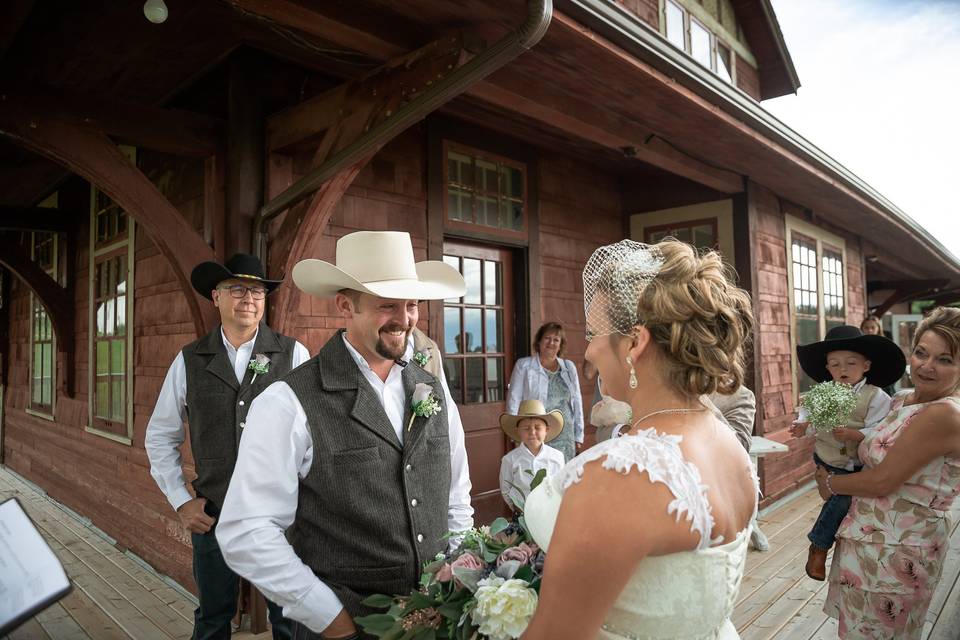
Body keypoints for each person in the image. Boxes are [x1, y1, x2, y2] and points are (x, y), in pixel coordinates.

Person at [215, 231, 473, 640]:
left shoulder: (434, 390)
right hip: (342, 627)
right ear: (345, 304)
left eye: (411, 304)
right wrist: (329, 617)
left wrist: (456, 576)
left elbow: (456, 498)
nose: (405, 318)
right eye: (387, 304)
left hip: (437, 619)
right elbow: (246, 531)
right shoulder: (288, 401)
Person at [521, 239, 757, 639]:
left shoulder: (622, 474)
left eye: (595, 332)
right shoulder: (724, 440)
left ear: (635, 342)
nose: (589, 350)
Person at [145, 253, 309, 640]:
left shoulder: (293, 355)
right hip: (214, 515)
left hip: (280, 517)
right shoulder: (189, 360)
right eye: (237, 289)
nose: (248, 298)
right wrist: (180, 500)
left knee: (290, 619)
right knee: (213, 618)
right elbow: (160, 434)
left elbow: (315, 435)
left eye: (257, 290)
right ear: (215, 297)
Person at [814, 306, 960, 639]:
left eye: (945, 359)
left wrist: (830, 483)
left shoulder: (945, 414)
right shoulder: (903, 400)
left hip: (900, 551)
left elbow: (883, 479)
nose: (927, 366)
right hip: (866, 538)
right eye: (921, 353)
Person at [790, 325, 904, 581]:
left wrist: (857, 434)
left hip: (856, 461)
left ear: (866, 365)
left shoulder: (875, 396)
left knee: (843, 500)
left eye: (851, 363)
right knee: (842, 498)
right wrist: (802, 425)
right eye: (835, 364)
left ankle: (824, 543)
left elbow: (881, 427)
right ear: (827, 368)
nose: (842, 369)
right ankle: (819, 547)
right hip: (828, 457)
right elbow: (809, 416)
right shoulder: (823, 392)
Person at [507, 323, 584, 461]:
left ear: (561, 345)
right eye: (547, 338)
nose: (551, 343)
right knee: (539, 475)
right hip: (536, 432)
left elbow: (577, 402)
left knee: (564, 477)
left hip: (566, 435)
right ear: (539, 342)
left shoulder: (569, 367)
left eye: (556, 340)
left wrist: (579, 434)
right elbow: (514, 399)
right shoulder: (524, 365)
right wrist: (515, 434)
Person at [498, 399, 566, 511]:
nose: (532, 432)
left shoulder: (556, 457)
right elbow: (506, 489)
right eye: (526, 428)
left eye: (538, 428)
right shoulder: (509, 460)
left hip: (549, 512)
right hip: (521, 513)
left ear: (546, 430)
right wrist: (517, 508)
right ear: (517, 431)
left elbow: (561, 485)